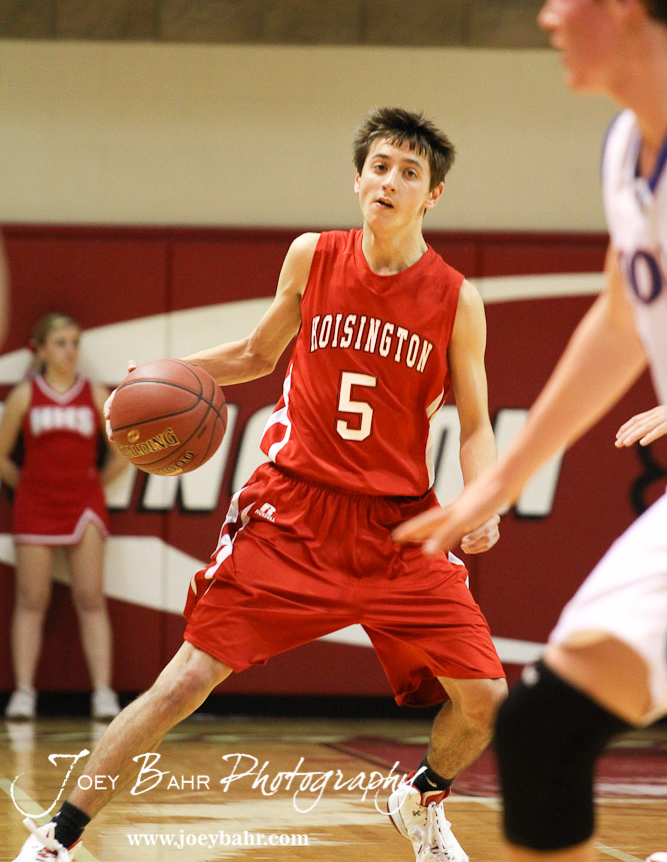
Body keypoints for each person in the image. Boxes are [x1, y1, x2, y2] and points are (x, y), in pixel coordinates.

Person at [12, 107, 508, 862]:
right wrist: (158, 377)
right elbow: (254, 353)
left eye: (409, 173)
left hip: (397, 526)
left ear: (432, 196)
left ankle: (419, 800)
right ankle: (58, 834)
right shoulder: (314, 255)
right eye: (379, 166)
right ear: (357, 178)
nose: (389, 181)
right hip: (293, 512)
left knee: (485, 703)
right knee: (184, 682)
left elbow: (473, 424)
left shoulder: (454, 298)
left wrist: (481, 499)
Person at [393, 0, 667, 862]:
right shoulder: (626, 146)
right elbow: (617, 314)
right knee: (541, 734)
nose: (546, 17)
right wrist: (502, 474)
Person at [1, 312, 127, 723]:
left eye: (75, 342)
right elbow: (2, 454)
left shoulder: (93, 392)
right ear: (39, 348)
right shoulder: (24, 396)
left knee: (91, 598)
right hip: (35, 505)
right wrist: (27, 484)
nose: (70, 350)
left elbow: (123, 449)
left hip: (84, 503)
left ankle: (104, 693)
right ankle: (23, 693)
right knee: (30, 600)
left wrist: (96, 482)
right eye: (60, 343)